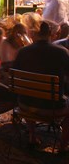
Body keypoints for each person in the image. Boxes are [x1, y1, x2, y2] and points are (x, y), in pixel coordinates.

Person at [13, 20, 69, 150]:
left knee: (31, 91)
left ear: (35, 34)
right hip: (52, 107)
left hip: (25, 104)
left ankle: (32, 136)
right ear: (52, 34)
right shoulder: (62, 52)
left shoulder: (23, 51)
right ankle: (63, 145)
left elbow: (15, 72)